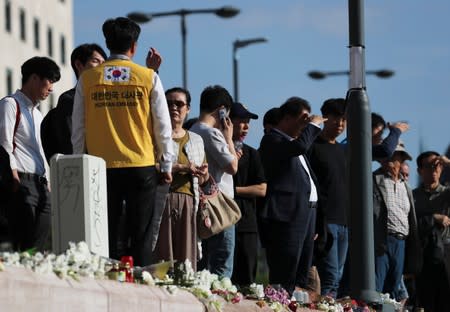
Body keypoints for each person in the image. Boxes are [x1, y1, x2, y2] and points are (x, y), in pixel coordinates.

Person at [71, 17, 174, 266]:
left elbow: (78, 127)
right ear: (134, 46)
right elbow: (163, 125)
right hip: (141, 164)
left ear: (107, 44)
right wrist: (167, 163)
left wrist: (78, 161)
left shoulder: (88, 79)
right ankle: (140, 286)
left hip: (100, 166)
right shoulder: (148, 77)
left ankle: (109, 281)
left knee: (105, 231)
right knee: (141, 233)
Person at [258, 96, 325, 294]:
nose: (305, 124)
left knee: (301, 272)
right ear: (287, 118)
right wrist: (313, 125)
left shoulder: (294, 144)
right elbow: (300, 147)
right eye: (302, 119)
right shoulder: (272, 139)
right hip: (287, 216)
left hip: (306, 214)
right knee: (285, 269)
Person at [0, 56, 61, 251]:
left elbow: (40, 151)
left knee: (38, 248)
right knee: (22, 244)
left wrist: (47, 180)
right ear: (34, 78)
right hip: (21, 182)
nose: (51, 88)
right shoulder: (10, 104)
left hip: (41, 186)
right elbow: (4, 142)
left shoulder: (38, 114)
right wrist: (13, 175)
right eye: (49, 81)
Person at [153, 87, 209, 271]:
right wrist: (182, 167)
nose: (174, 108)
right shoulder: (155, 136)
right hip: (163, 199)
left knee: (186, 259)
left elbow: (203, 180)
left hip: (189, 202)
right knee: (162, 255)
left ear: (188, 108)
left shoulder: (196, 139)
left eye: (179, 104)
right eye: (169, 103)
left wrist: (203, 174)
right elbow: (151, 167)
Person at [190, 85, 238, 278]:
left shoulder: (192, 129)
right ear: (222, 110)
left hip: (200, 203)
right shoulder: (212, 133)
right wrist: (229, 139)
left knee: (203, 261)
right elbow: (233, 167)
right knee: (222, 263)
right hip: (220, 205)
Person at [308, 98, 348, 298]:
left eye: (344, 120)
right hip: (326, 221)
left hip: (344, 222)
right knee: (330, 276)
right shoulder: (313, 147)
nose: (340, 124)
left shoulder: (343, 150)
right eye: (335, 119)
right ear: (325, 119)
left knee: (337, 276)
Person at [41, 44, 107, 162]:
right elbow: (70, 144)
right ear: (79, 65)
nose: (102, 67)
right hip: (87, 169)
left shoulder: (106, 98)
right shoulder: (69, 99)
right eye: (96, 61)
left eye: (104, 62)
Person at [372, 143, 422, 297]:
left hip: (401, 241)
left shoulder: (405, 186)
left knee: (394, 285)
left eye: (397, 158)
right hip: (381, 239)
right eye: (390, 156)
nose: (392, 161)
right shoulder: (374, 179)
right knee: (377, 285)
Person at [229, 102, 267, 286]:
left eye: (248, 122)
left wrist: (231, 190)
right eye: (241, 121)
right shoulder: (214, 149)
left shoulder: (252, 154)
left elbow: (261, 189)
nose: (246, 127)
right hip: (221, 221)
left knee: (247, 279)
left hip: (247, 223)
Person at [414, 151, 450, 311]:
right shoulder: (412, 196)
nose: (434, 170)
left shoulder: (446, 193)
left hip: (445, 256)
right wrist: (433, 217)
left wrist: (447, 162)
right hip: (421, 257)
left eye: (438, 166)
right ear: (420, 171)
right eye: (429, 166)